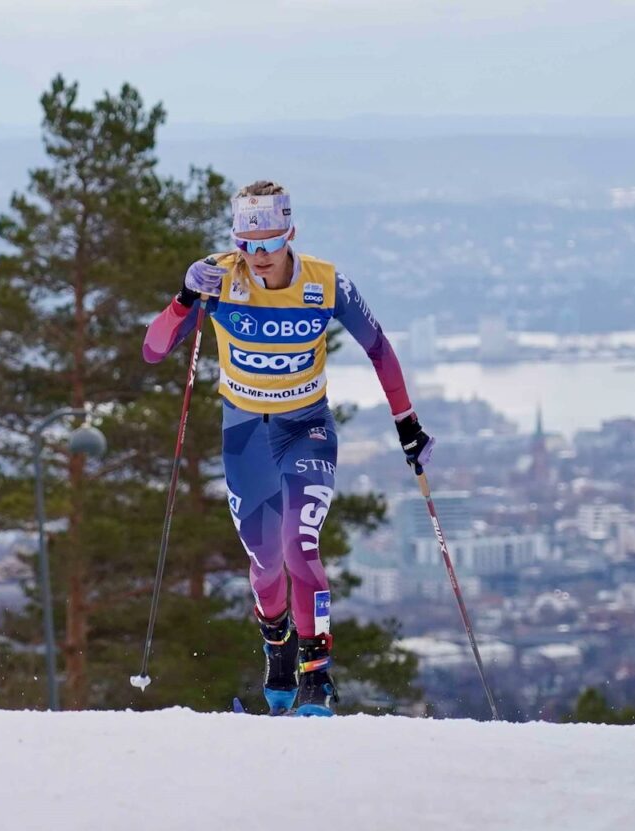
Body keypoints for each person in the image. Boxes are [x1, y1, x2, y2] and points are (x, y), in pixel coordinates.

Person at [143, 181, 434, 715]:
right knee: (265, 563)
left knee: (300, 545)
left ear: (290, 234)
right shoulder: (218, 278)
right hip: (246, 436)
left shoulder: (326, 284)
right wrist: (186, 295)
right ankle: (276, 648)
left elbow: (380, 350)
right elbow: (154, 350)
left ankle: (316, 676)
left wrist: (407, 424)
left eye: (268, 244)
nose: (256, 257)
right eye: (245, 244)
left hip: (307, 429)